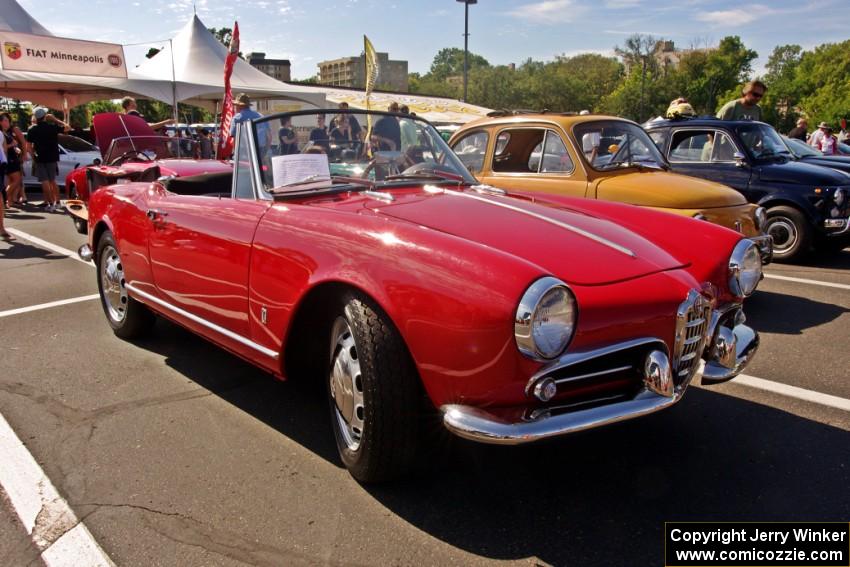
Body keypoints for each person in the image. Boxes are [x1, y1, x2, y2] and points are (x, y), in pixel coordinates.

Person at [26, 108, 69, 212]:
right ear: (45, 116)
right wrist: (55, 119)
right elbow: (68, 128)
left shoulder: (32, 129)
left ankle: (50, 204)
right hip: (52, 157)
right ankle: (58, 202)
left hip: (40, 158)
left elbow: (29, 146)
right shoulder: (52, 127)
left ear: (36, 118)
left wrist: (33, 157)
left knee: (44, 182)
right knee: (53, 181)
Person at [1, 113, 28, 208]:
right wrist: (12, 146)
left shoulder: (8, 131)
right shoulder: (2, 133)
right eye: (5, 120)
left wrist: (19, 150)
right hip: (9, 159)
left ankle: (9, 200)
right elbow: (3, 148)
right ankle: (5, 199)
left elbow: (22, 142)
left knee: (14, 179)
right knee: (16, 179)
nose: (7, 123)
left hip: (12, 157)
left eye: (8, 120)